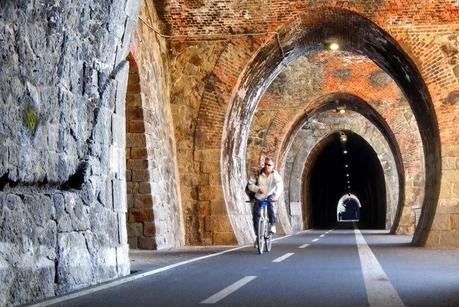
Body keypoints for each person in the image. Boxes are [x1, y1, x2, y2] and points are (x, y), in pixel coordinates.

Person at [247, 157, 284, 235]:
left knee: (271, 204)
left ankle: (272, 224)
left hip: (270, 195)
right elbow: (250, 185)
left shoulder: (275, 175)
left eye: (269, 165)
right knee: (256, 216)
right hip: (259, 197)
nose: (267, 166)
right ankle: (257, 237)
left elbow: (279, 185)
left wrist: (276, 196)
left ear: (272, 166)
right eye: (265, 164)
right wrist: (257, 189)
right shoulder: (257, 174)